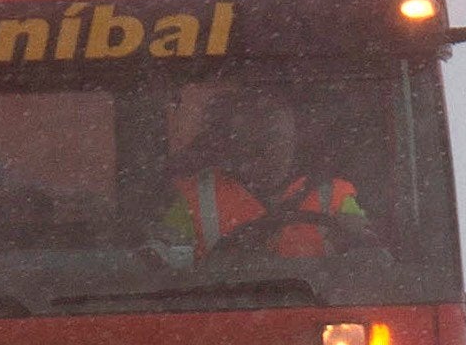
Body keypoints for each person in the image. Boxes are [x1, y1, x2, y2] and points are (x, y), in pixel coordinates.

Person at [158, 88, 375, 261]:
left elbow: (371, 261)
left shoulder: (334, 197)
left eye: (276, 142)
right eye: (256, 145)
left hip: (315, 306)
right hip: (219, 309)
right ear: (232, 145)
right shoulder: (197, 199)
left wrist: (356, 240)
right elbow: (159, 263)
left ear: (294, 143)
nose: (268, 155)